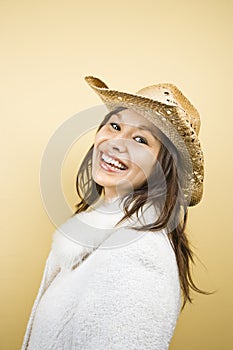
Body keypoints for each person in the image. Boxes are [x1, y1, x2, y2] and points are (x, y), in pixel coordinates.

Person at [21, 76, 207, 350]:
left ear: (162, 167)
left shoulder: (139, 255)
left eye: (141, 139)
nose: (116, 143)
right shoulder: (99, 238)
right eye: (115, 125)